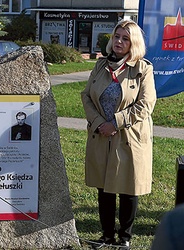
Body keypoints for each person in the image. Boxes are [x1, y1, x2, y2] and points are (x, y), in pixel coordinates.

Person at [81, 19, 157, 249]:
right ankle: (106, 236)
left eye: (125, 38)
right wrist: (98, 123)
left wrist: (115, 122)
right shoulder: (100, 66)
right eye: (116, 37)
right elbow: (86, 96)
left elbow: (146, 104)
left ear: (133, 43)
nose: (119, 42)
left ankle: (124, 238)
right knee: (103, 188)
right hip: (101, 135)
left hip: (128, 137)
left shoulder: (143, 68)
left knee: (127, 187)